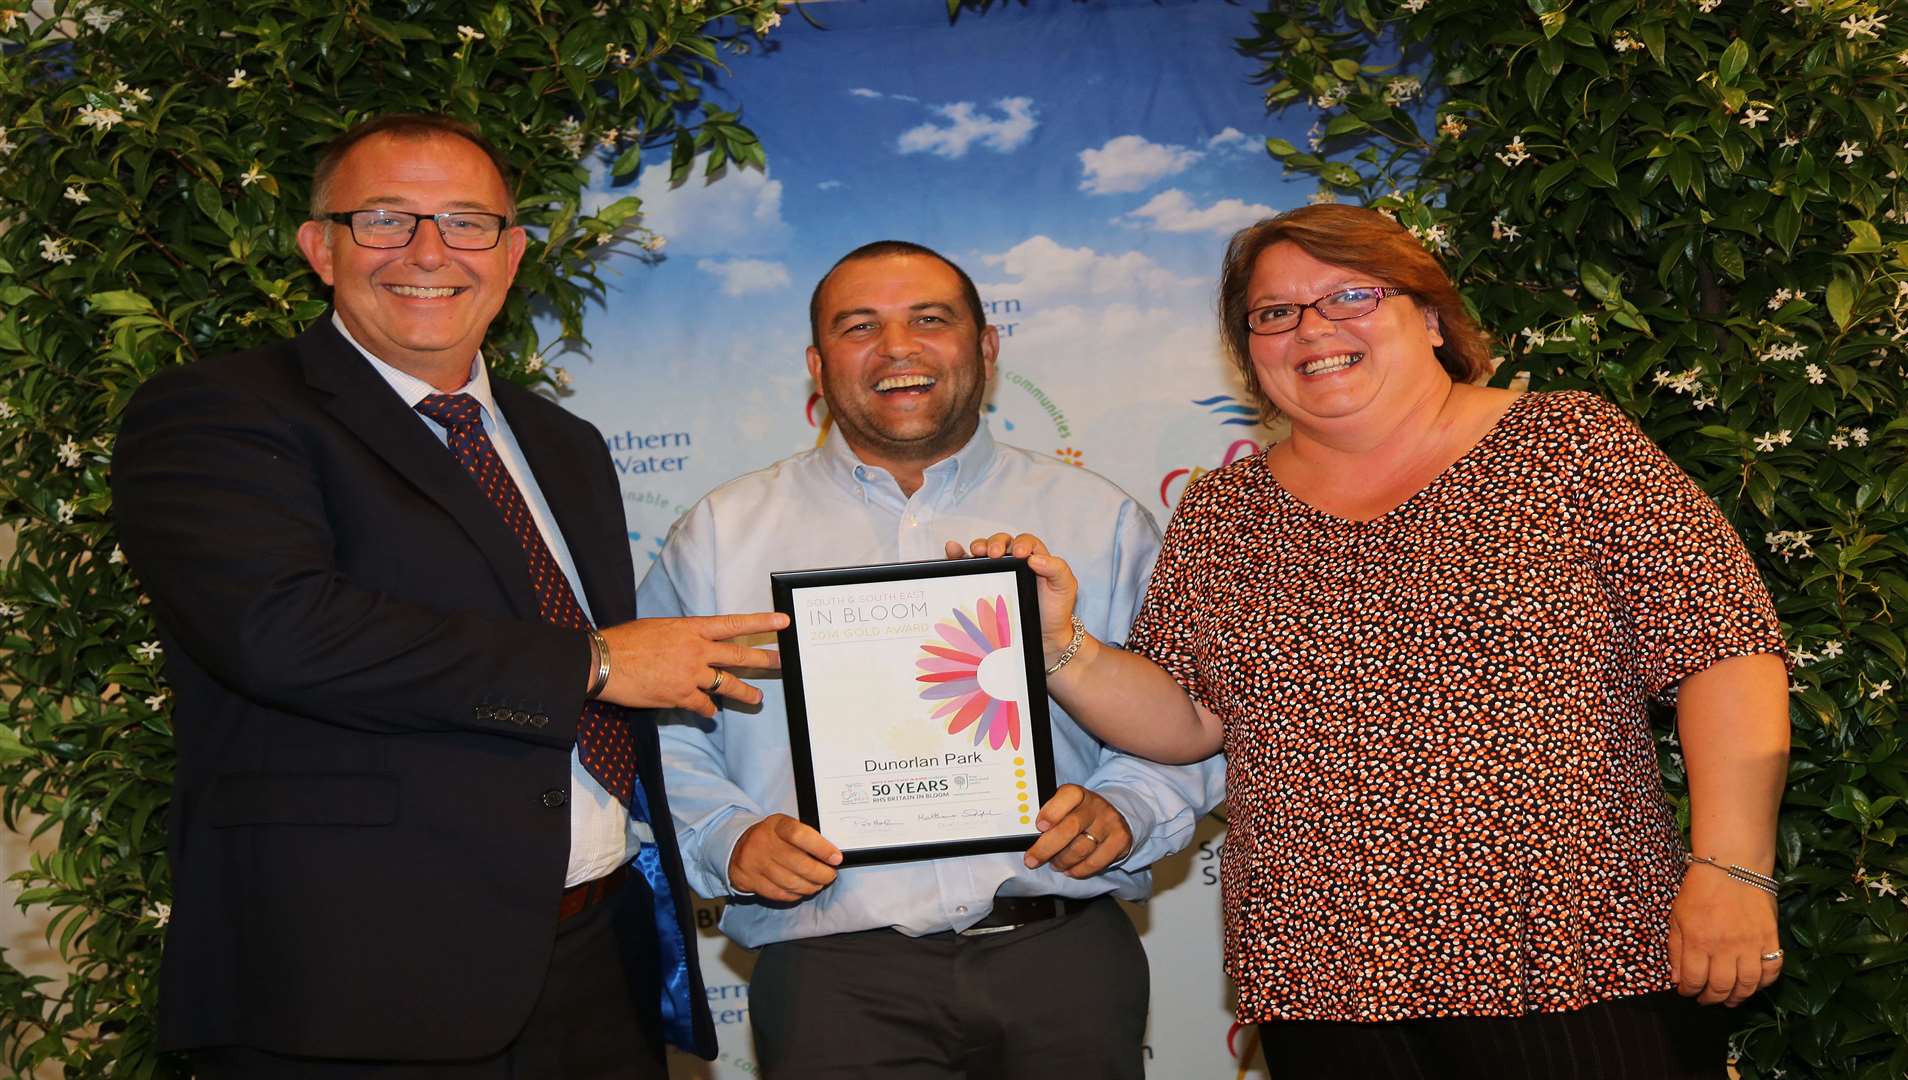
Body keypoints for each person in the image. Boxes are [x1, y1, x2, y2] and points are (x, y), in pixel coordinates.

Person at [959, 204, 1791, 1079]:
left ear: (1429, 316)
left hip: (1576, 960)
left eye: (1350, 295)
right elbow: (1190, 719)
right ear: (1252, 354)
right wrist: (1062, 647)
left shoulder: (1570, 446)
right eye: (1275, 313)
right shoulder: (1224, 514)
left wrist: (1735, 870)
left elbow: (1725, 650)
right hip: (1324, 984)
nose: (1312, 328)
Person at [111, 114, 787, 1078]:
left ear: (511, 255)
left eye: (468, 223)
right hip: (356, 990)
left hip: (597, 968)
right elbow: (278, 629)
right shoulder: (222, 412)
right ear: (321, 248)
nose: (429, 252)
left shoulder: (565, 446)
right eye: (385, 218)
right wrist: (596, 663)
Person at [637, 240, 1225, 1080]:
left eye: (930, 320)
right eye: (859, 326)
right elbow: (661, 731)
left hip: (1063, 962)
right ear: (817, 363)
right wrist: (726, 839)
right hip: (833, 977)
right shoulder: (723, 535)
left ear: (985, 347)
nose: (898, 348)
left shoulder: (1102, 520)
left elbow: (1195, 713)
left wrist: (1130, 806)